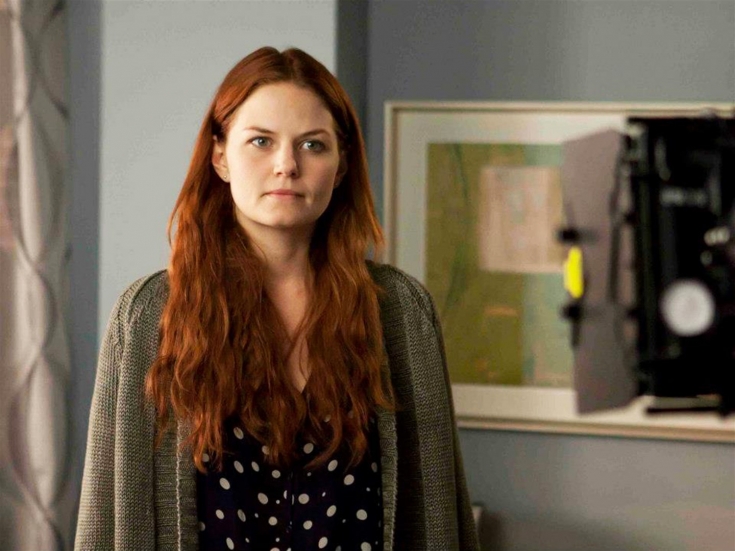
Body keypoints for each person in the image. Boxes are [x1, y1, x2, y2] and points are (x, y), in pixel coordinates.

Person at [75, 46, 479, 551]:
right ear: (220, 156)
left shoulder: (401, 311)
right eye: (261, 141)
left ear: (341, 164)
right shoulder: (146, 316)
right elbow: (104, 518)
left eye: (312, 145)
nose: (287, 165)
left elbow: (439, 513)